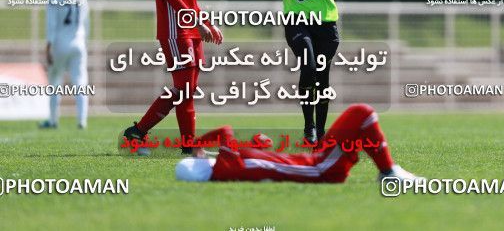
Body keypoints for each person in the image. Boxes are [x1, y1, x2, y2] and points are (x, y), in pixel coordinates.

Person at [123, 0, 223, 154]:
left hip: (191, 30)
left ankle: (142, 134)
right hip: (176, 31)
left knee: (185, 89)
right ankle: (180, 143)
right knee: (185, 89)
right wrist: (196, 23)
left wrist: (207, 23)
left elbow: (192, 0)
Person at [271, 0, 362, 144]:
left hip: (325, 24)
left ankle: (321, 132)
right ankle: (308, 126)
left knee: (322, 78)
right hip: (297, 22)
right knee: (309, 67)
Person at [175, 104, 423, 183]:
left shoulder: (230, 165)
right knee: (362, 114)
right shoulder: (225, 167)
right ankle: (389, 172)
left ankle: (388, 172)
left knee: (361, 119)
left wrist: (259, 144)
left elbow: (260, 154)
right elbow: (225, 131)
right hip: (320, 167)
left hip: (318, 161)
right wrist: (197, 144)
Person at [41, 0, 90, 129]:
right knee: (80, 82)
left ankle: (53, 120)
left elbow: (51, 26)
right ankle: (82, 121)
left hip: (60, 44)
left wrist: (48, 48)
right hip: (79, 43)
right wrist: (84, 41)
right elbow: (85, 23)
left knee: (54, 82)